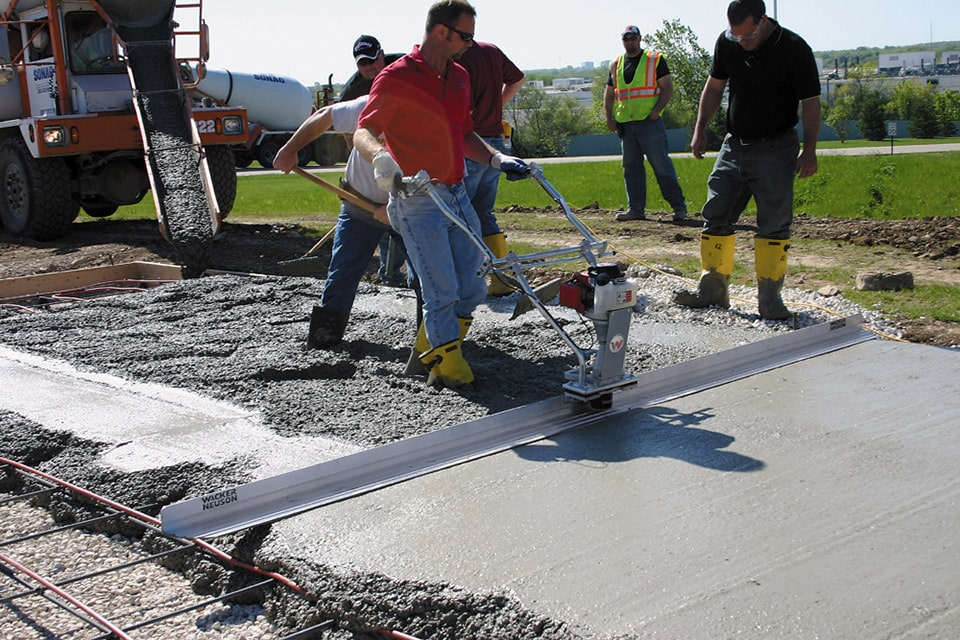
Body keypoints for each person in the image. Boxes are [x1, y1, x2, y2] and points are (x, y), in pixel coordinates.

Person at [353, 0, 529, 388]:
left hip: (456, 192)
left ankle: (433, 345)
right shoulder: (397, 77)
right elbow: (363, 132)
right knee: (441, 287)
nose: (471, 42)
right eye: (465, 36)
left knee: (472, 282)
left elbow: (464, 134)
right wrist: (381, 158)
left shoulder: (461, 76)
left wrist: (498, 158)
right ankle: (446, 367)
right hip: (418, 200)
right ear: (440, 32)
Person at [673, 0, 820, 321]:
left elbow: (810, 103)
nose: (742, 41)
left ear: (764, 21)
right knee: (716, 214)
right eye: (736, 35)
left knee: (774, 223)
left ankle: (770, 299)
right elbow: (713, 87)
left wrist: (809, 151)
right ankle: (712, 289)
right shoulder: (728, 42)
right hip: (734, 145)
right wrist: (700, 130)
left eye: (748, 35)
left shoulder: (794, 49)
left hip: (776, 147)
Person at [273, 95, 411, 349]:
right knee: (343, 271)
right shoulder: (371, 103)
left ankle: (436, 341)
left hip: (411, 208)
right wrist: (289, 150)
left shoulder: (428, 112)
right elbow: (324, 116)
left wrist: (395, 206)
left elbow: (441, 172)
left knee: (428, 275)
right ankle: (326, 338)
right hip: (359, 204)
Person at [457, 40, 525, 296]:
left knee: (461, 215)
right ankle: (500, 280)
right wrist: (496, 107)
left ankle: (465, 281)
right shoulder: (491, 51)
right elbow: (517, 79)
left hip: (471, 142)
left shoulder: (455, 58)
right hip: (496, 143)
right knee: (484, 212)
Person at [341, 35, 408, 287]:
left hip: (406, 160)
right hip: (376, 162)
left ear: (382, 55)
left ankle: (414, 281)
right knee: (381, 219)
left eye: (372, 60)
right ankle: (389, 274)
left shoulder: (402, 69)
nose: (368, 67)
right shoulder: (353, 90)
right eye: (362, 63)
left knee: (406, 225)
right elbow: (351, 134)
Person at [604, 25, 688, 223]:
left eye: (633, 38)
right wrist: (609, 118)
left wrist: (656, 111)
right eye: (626, 38)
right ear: (622, 40)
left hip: (649, 124)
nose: (630, 41)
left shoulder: (654, 59)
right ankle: (635, 209)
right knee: (631, 168)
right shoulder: (616, 64)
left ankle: (679, 208)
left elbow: (667, 87)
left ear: (640, 38)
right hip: (626, 124)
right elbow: (609, 94)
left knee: (661, 165)